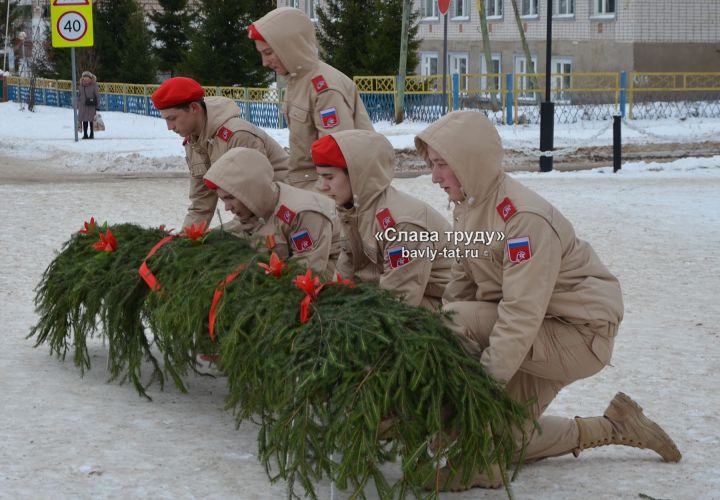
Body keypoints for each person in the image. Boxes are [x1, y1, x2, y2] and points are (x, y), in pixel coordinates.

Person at [414, 111, 681, 490]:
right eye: (432, 165)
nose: (434, 177)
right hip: (542, 328)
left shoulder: (523, 219)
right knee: (506, 439)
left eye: (442, 165)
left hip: (578, 334)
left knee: (454, 320)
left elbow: (519, 315)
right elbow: (463, 282)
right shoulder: (470, 206)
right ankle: (615, 425)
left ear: (469, 161)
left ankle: (479, 462)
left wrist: (476, 393)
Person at [312, 130, 452, 310]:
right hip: (397, 293)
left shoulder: (401, 225)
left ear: (357, 175)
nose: (322, 186)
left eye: (329, 177)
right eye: (320, 176)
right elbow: (347, 270)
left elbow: (399, 301)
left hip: (439, 303)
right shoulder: (355, 210)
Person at [248, 7, 374, 191]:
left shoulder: (324, 87)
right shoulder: (298, 80)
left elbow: (336, 162)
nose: (264, 62)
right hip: (306, 184)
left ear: (288, 48)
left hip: (323, 190)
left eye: (268, 53)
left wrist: (308, 206)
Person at [151, 77, 290, 228]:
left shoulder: (237, 135)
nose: (169, 127)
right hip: (257, 213)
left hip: (285, 209)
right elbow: (201, 204)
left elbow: (256, 200)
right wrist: (187, 238)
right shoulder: (193, 142)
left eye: (172, 119)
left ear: (193, 108)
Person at [203, 147, 341, 275]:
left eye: (230, 198)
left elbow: (307, 272)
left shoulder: (302, 214)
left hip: (333, 279)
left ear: (250, 191)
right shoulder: (255, 205)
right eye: (223, 199)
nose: (227, 207)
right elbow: (239, 228)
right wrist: (203, 238)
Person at [78, 70, 99, 140]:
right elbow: (79, 95)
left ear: (90, 78)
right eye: (84, 77)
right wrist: (78, 103)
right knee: (84, 120)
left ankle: (92, 134)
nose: (86, 78)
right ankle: (85, 134)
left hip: (91, 106)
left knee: (91, 121)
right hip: (83, 106)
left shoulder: (94, 85)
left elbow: (97, 96)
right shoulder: (81, 86)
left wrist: (97, 107)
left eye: (87, 77)